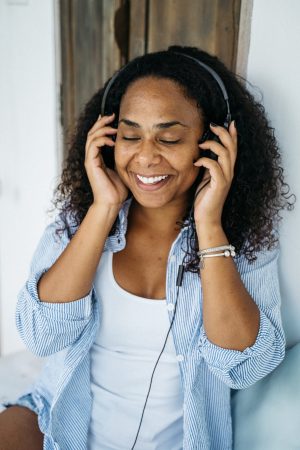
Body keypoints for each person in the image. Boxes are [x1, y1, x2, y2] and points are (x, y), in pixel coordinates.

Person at [0, 45, 294, 450]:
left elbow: (246, 368)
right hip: (57, 426)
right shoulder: (76, 225)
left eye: (169, 137)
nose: (145, 156)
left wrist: (209, 225)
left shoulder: (244, 244)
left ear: (212, 143)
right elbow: (41, 336)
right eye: (130, 135)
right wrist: (103, 209)